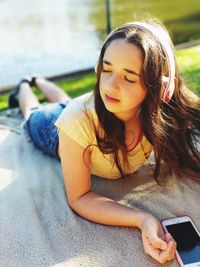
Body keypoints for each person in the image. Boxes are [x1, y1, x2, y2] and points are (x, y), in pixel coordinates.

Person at [8, 18, 200, 264]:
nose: (110, 85)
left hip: (86, 109)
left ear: (162, 90)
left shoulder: (161, 113)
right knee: (34, 113)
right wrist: (142, 219)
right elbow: (79, 197)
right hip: (52, 129)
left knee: (66, 102)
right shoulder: (75, 122)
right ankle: (27, 83)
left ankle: (43, 82)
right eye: (106, 69)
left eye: (129, 78)